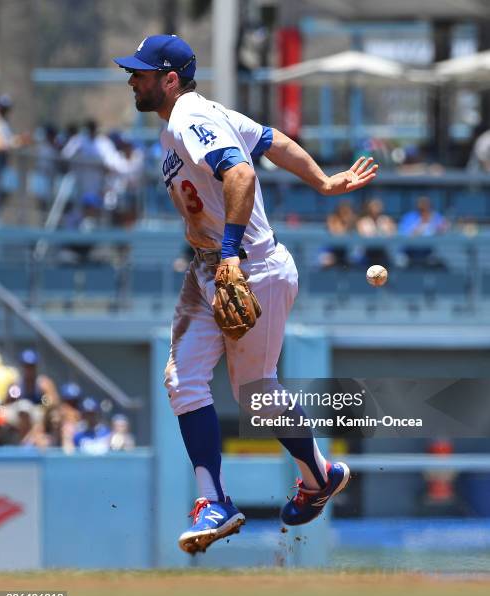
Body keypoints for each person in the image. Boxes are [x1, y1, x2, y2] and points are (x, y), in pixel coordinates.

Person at [114, 34, 377, 554]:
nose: (132, 79)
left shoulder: (191, 117)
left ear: (171, 79)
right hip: (211, 265)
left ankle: (318, 475)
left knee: (255, 396)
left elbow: (241, 171)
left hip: (247, 264)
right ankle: (216, 502)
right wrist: (322, 182)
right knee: (183, 379)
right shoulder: (198, 115)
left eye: (142, 72)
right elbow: (270, 140)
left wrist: (231, 251)